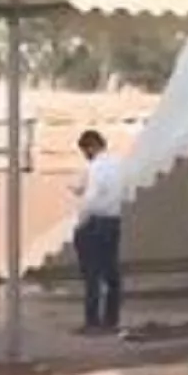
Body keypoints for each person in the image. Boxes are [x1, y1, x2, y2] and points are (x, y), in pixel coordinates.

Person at [70, 129, 123, 333]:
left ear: (91, 147)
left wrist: (80, 223)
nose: (85, 155)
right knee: (112, 272)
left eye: (85, 151)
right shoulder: (119, 164)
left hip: (94, 222)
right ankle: (112, 318)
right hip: (113, 221)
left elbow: (90, 199)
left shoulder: (95, 168)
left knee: (92, 274)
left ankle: (92, 321)